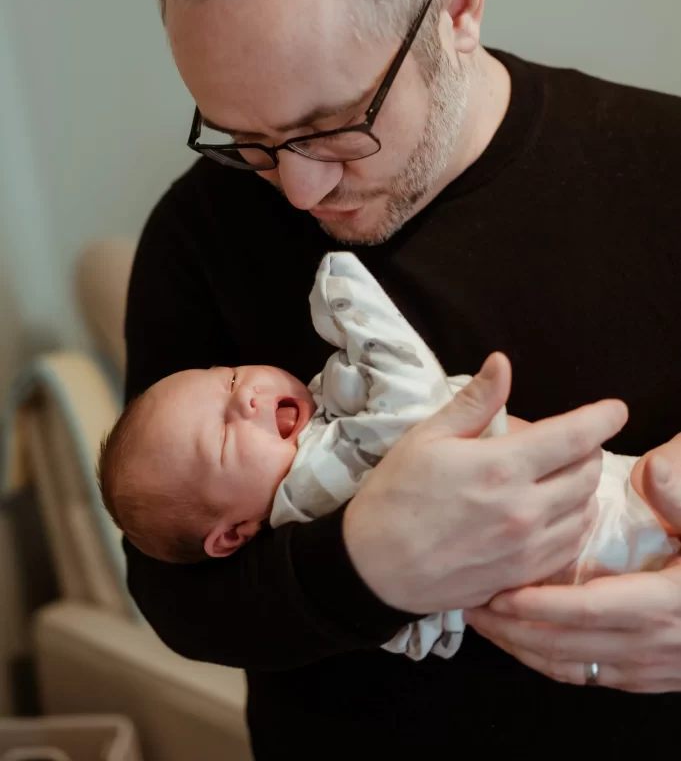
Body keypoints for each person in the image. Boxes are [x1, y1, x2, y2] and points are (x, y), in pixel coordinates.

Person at [124, 0, 681, 757]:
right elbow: (172, 592)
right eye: (246, 139)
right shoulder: (198, 231)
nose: (296, 189)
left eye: (333, 125)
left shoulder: (664, 169)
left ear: (457, 7)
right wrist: (365, 565)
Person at [103, 250, 679, 663]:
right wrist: (346, 293)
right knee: (665, 480)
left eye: (227, 376)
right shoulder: (309, 489)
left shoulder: (316, 440)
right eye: (225, 434)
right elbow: (412, 404)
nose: (246, 395)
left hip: (603, 539)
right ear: (232, 535)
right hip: (599, 543)